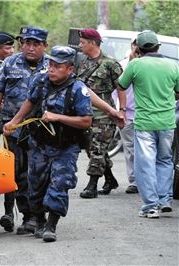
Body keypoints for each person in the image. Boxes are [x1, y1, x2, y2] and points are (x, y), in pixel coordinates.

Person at [4, 46, 93, 242]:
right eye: (50, 64)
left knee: (60, 183)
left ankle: (51, 225)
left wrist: (58, 117)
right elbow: (30, 101)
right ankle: (39, 219)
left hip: (66, 146)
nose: (51, 69)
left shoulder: (78, 89)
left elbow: (86, 120)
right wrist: (15, 121)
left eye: (58, 66)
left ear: (70, 69)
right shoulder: (42, 81)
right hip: (40, 144)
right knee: (35, 184)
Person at [0, 26, 50, 235]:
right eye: (26, 43)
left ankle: (40, 213)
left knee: (40, 173)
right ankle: (28, 216)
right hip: (12, 129)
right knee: (18, 174)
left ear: (44, 46)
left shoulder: (53, 65)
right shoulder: (9, 63)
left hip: (43, 129)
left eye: (35, 44)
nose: (30, 48)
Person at [117, 30, 179, 218]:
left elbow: (121, 85)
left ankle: (151, 206)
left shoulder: (135, 65)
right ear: (158, 46)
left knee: (145, 164)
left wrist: (122, 109)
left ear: (138, 48)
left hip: (144, 122)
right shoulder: (172, 65)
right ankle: (165, 200)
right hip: (167, 122)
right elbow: (178, 91)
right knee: (165, 160)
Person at [76, 28, 125, 199]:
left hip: (104, 113)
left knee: (97, 148)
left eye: (82, 42)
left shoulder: (110, 64)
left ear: (92, 43)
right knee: (94, 149)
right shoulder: (82, 63)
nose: (80, 45)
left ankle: (92, 185)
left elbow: (121, 88)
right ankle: (110, 179)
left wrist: (121, 110)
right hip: (84, 111)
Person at [112, 38, 139, 194]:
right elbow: (115, 92)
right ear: (132, 46)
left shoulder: (150, 66)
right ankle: (134, 181)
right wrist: (118, 112)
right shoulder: (122, 66)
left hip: (148, 115)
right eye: (135, 44)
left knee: (147, 151)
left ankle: (147, 180)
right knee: (131, 150)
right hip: (127, 114)